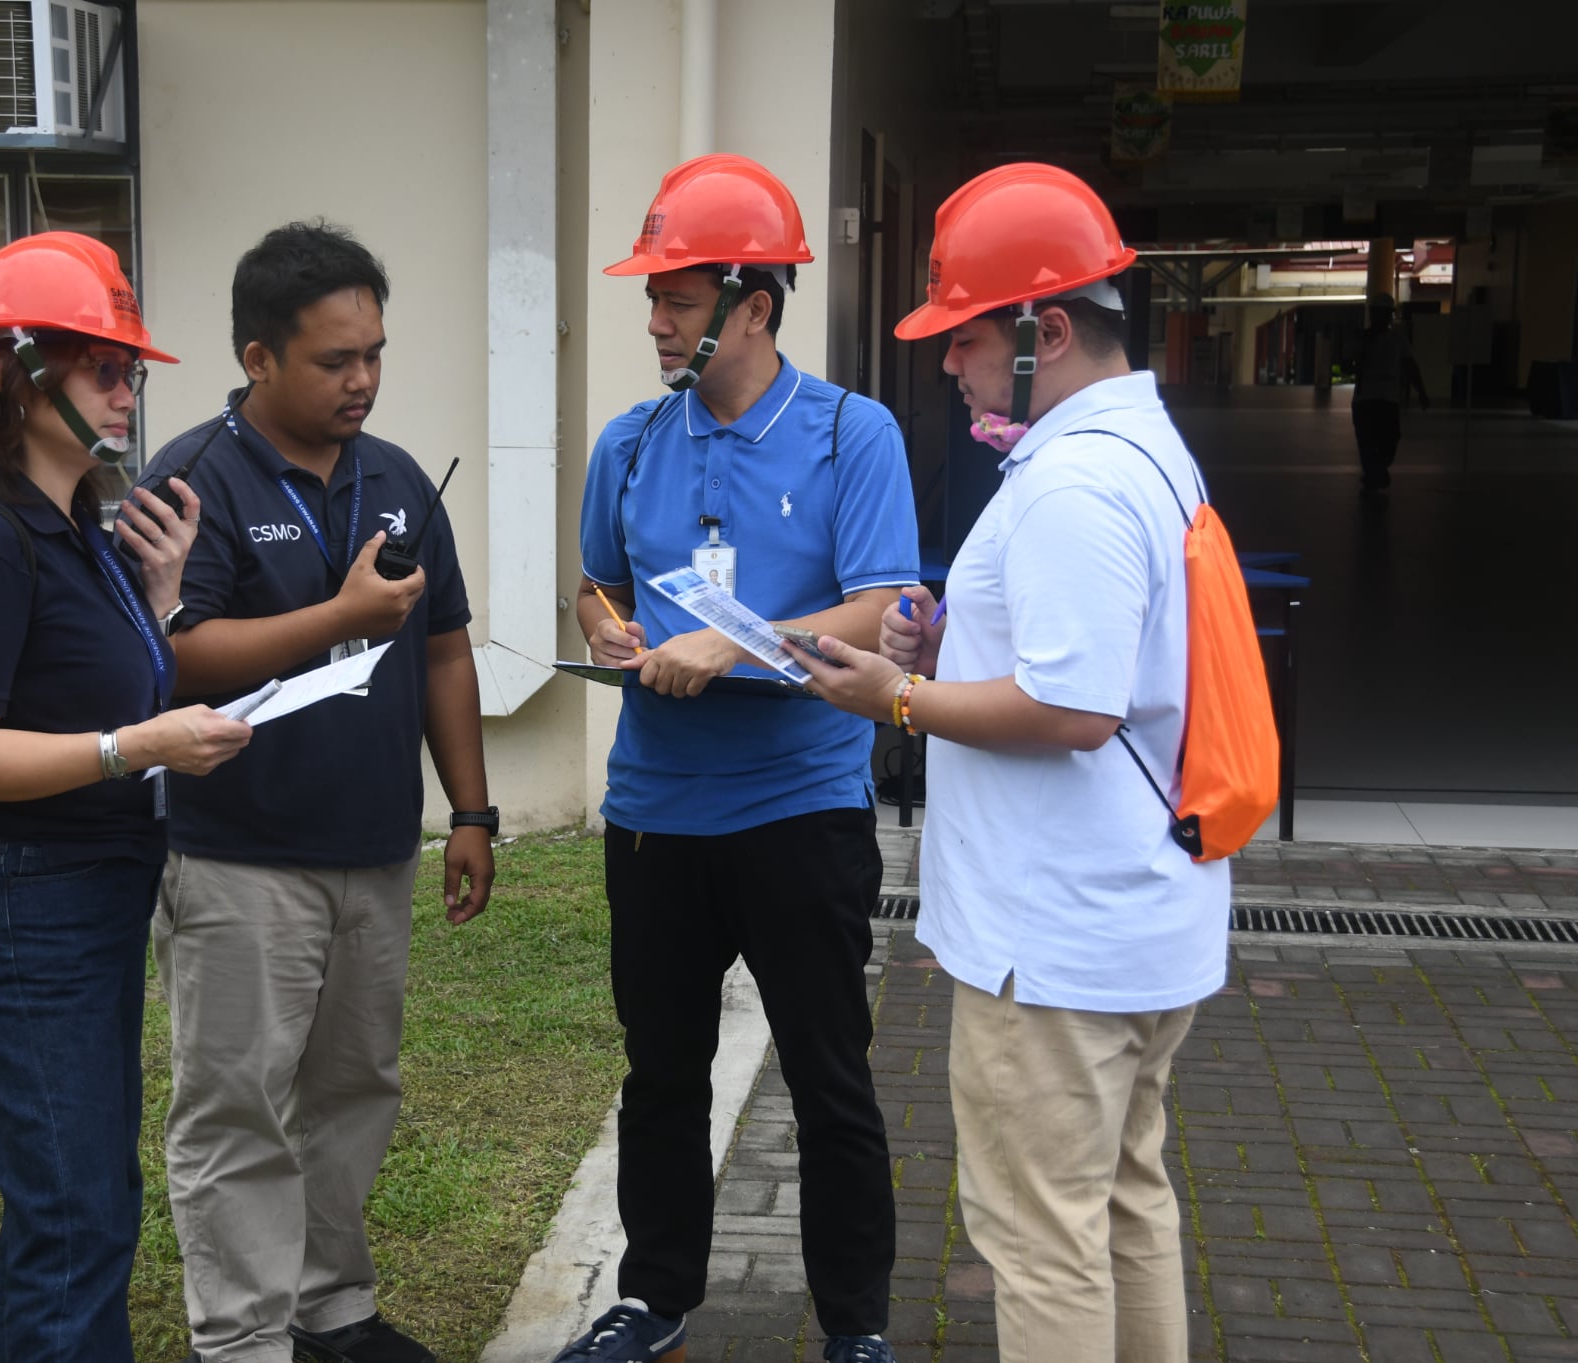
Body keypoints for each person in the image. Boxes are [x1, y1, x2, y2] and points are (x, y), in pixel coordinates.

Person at [784, 164, 1227, 1363]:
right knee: (1121, 1201)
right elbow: (1099, 666)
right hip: (1133, 916)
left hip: (1060, 940)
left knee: (1038, 1237)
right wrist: (948, 644)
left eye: (965, 338)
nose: (948, 364)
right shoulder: (1137, 449)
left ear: (1045, 332)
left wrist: (901, 694)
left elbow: (1073, 707)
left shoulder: (1073, 482)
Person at [559, 154, 918, 1363]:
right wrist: (601, 627)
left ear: (752, 304)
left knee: (830, 1080)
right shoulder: (629, 442)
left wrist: (730, 641)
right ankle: (655, 1294)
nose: (653, 321)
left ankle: (854, 1324)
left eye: (675, 297)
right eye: (652, 297)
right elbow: (595, 580)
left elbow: (879, 607)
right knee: (661, 1074)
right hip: (656, 810)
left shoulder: (847, 435)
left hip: (799, 808)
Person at [138, 221, 495, 1363]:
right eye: (335, 360)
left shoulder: (397, 481)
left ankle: (330, 1305)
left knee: (352, 1089)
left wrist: (471, 812)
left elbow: (443, 649)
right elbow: (173, 657)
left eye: (374, 354)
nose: (363, 381)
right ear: (257, 357)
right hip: (237, 855)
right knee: (235, 1103)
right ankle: (242, 1339)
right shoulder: (192, 481)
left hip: (370, 847)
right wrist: (337, 620)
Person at [0, 231, 253, 1361]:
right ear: (18, 369)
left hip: (82, 901)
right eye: (101, 363)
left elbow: (77, 684)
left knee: (84, 1203)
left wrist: (155, 601)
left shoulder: (79, 530)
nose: (124, 386)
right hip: (17, 910)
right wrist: (132, 745)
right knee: (73, 1218)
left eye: (129, 366)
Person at [1352, 291, 1429, 492]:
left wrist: (1421, 391)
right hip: (1366, 399)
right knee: (1368, 441)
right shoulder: (1363, 338)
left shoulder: (1397, 338)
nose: (1381, 317)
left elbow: (1410, 366)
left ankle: (1375, 472)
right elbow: (1349, 365)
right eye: (1379, 312)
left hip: (1386, 399)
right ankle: (1374, 474)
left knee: (1389, 439)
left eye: (1385, 313)